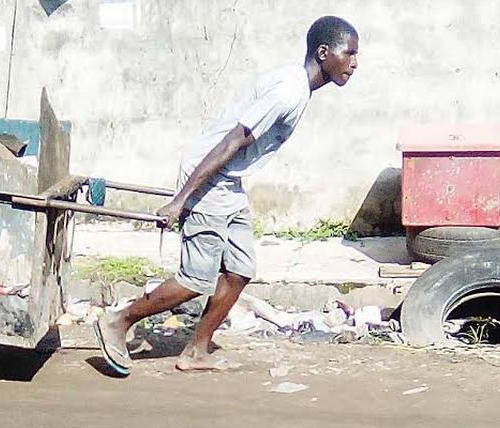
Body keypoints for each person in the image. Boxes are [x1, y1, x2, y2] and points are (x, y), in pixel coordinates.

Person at [94, 15, 359, 374]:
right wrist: (181, 199)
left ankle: (196, 350)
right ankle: (119, 320)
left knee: (239, 270)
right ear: (324, 52)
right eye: (350, 53)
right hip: (211, 177)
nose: (354, 64)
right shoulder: (289, 92)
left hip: (228, 182)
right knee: (196, 279)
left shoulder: (297, 87)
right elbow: (233, 141)